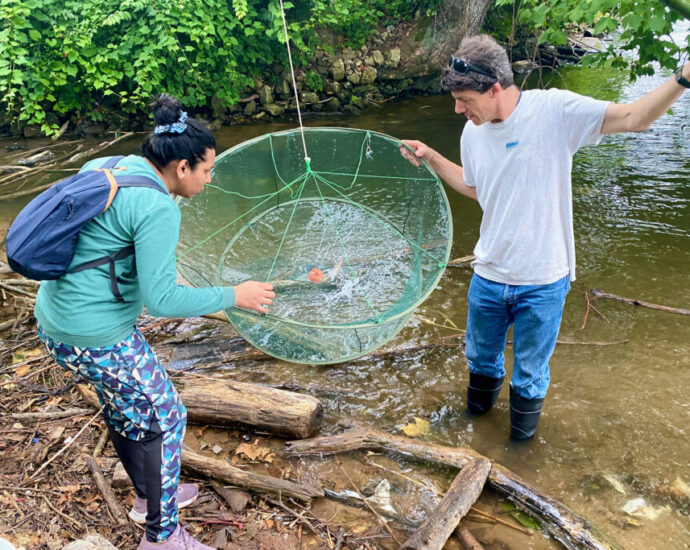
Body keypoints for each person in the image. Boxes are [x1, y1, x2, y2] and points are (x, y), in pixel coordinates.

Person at [401, 34, 690, 440]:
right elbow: (477, 188)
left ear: (495, 88)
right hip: (489, 275)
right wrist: (430, 156)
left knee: (530, 375)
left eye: (464, 99)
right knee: (481, 361)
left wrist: (684, 76)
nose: (457, 108)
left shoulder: (555, 111)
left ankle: (518, 456)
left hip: (543, 281)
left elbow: (634, 118)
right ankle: (474, 435)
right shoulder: (472, 133)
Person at [35, 94, 275, 549]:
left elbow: (108, 245)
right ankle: (162, 537)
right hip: (94, 335)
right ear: (181, 167)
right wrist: (235, 295)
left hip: (54, 321)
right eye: (206, 170)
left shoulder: (114, 165)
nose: (210, 179)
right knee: (166, 417)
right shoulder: (158, 207)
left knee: (126, 407)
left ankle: (149, 497)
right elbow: (161, 301)